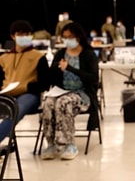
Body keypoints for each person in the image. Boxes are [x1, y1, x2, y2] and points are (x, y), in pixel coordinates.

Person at [41, 22, 99, 160]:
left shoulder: (88, 54)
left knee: (63, 102)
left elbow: (93, 78)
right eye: (65, 37)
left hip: (82, 94)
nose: (68, 40)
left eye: (70, 37)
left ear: (78, 37)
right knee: (48, 103)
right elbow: (50, 77)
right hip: (61, 91)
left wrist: (70, 69)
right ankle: (50, 143)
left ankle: (68, 144)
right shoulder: (61, 54)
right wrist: (54, 68)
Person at [0, 20, 50, 142]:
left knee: (15, 109)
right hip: (6, 94)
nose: (24, 38)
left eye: (27, 35)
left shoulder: (38, 57)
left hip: (29, 95)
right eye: (20, 35)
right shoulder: (4, 58)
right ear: (13, 36)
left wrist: (26, 87)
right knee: (12, 107)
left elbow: (45, 84)